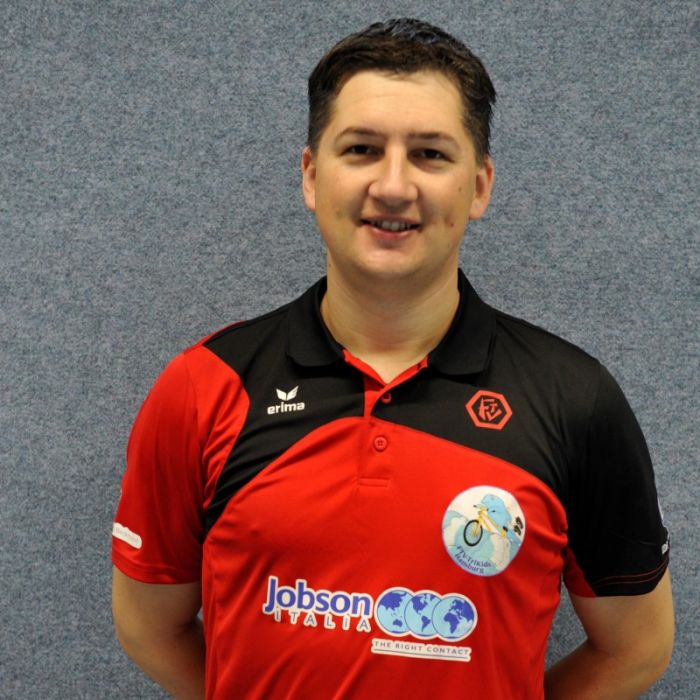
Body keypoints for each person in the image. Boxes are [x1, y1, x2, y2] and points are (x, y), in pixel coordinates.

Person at [111, 18, 673, 699]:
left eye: (431, 154)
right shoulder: (204, 387)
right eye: (362, 149)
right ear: (312, 176)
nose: (394, 185)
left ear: (480, 186)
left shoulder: (573, 399)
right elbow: (148, 626)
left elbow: (635, 648)